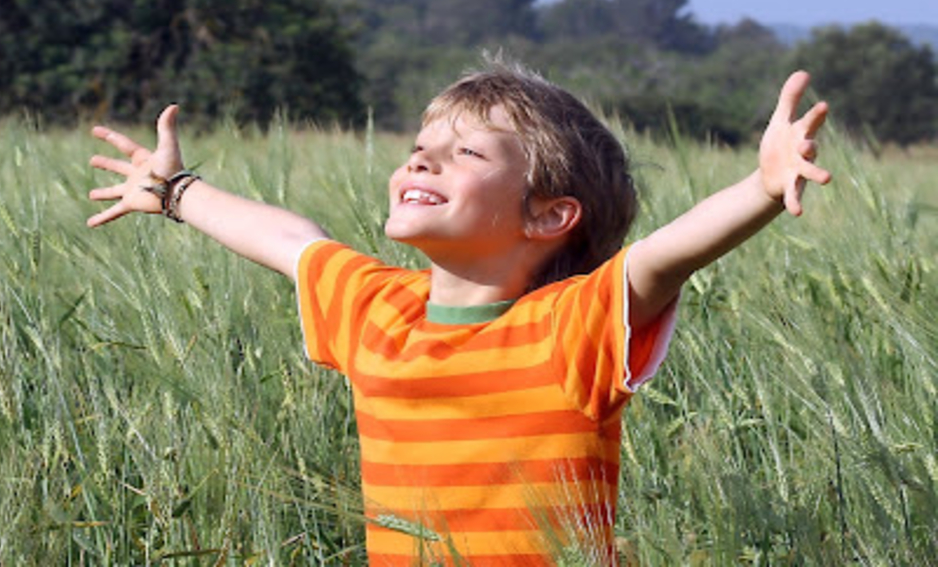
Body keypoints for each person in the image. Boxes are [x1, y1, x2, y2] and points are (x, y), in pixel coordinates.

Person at [86, 59, 829, 566]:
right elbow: (291, 241)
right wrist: (177, 192)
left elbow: (662, 258)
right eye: (418, 146)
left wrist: (761, 190)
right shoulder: (378, 309)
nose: (420, 160)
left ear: (549, 216)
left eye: (466, 153)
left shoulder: (570, 329)